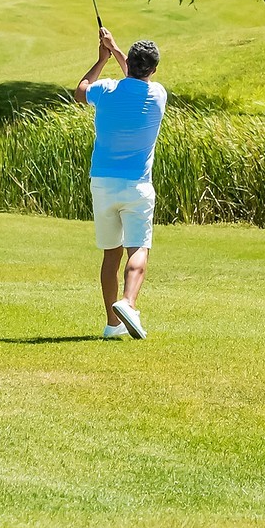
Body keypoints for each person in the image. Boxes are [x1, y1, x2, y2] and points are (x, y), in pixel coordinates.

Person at [72, 28, 168, 340]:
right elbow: (136, 76)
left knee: (110, 254)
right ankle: (128, 302)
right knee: (138, 248)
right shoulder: (157, 96)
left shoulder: (107, 90)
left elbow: (80, 91)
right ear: (153, 69)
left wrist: (101, 58)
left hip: (102, 182)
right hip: (137, 185)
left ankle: (112, 325)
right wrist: (114, 50)